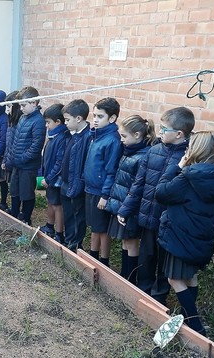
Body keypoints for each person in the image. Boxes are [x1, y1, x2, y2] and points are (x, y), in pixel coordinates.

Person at [117, 106, 195, 305]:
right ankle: (143, 293)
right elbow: (138, 184)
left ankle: (158, 299)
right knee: (147, 257)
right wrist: (126, 208)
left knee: (163, 264)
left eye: (164, 129)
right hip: (147, 216)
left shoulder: (188, 158)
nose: (159, 132)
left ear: (179, 134)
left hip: (169, 221)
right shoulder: (154, 151)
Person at [155, 131, 214, 336]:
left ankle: (195, 326)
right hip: (200, 237)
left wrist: (176, 167)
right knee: (190, 277)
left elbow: (161, 193)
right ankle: (187, 316)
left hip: (180, 235)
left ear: (197, 151)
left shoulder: (188, 177)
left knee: (174, 279)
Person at [104, 115, 155, 284]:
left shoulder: (143, 156)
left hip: (131, 208)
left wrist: (126, 207)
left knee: (131, 242)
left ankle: (130, 278)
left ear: (138, 135)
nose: (121, 139)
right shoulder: (129, 151)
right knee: (125, 242)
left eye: (124, 136)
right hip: (122, 204)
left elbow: (137, 186)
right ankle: (124, 274)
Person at [84, 97, 123, 266]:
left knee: (103, 229)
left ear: (112, 118)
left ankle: (104, 260)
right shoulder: (96, 136)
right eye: (94, 116)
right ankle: (93, 255)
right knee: (95, 226)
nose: (95, 120)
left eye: (100, 116)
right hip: (91, 188)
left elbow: (111, 170)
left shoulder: (112, 140)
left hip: (101, 192)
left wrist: (105, 195)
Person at [8, 86, 46, 225]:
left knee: (26, 193)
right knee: (15, 190)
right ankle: (14, 213)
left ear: (34, 103)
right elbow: (16, 139)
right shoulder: (23, 118)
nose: (21, 108)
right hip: (17, 163)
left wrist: (21, 159)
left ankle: (26, 217)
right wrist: (13, 157)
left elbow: (36, 146)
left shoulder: (38, 121)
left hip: (28, 165)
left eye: (24, 105)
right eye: (20, 105)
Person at [60, 99, 91, 251]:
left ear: (78, 119)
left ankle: (75, 243)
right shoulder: (73, 135)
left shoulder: (87, 137)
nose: (65, 123)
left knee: (77, 215)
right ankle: (69, 239)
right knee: (68, 214)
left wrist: (78, 183)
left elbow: (83, 164)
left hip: (77, 184)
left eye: (67, 120)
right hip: (67, 183)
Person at [39, 103, 70, 243]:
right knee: (50, 202)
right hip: (50, 178)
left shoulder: (62, 138)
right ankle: (49, 226)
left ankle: (59, 234)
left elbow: (59, 163)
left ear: (58, 122)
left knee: (57, 206)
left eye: (48, 122)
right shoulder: (53, 135)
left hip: (56, 180)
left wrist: (49, 178)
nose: (46, 126)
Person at [1, 90, 22, 214]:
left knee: (17, 188)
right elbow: (8, 144)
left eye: (9, 106)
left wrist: (9, 161)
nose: (6, 110)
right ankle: (14, 209)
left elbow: (15, 146)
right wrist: (5, 160)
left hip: (16, 161)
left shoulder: (19, 124)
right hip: (10, 160)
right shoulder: (11, 122)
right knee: (13, 187)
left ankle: (16, 211)